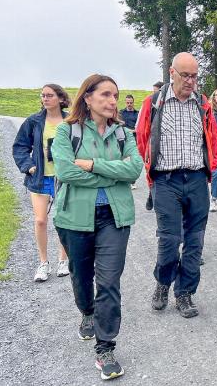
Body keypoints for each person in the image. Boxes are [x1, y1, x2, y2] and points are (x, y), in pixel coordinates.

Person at [51, 74, 143, 380]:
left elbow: (134, 170)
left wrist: (92, 165)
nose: (112, 101)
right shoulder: (67, 132)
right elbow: (65, 170)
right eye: (105, 94)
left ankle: (105, 349)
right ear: (87, 98)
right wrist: (113, 175)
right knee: (81, 276)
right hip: (75, 218)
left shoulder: (123, 134)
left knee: (108, 282)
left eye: (115, 95)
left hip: (114, 218)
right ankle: (87, 313)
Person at [136, 52, 217, 318]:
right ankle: (163, 282)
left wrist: (211, 168)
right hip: (166, 181)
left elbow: (213, 138)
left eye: (194, 76)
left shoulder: (202, 105)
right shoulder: (154, 104)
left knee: (195, 241)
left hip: (196, 179)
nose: (190, 81)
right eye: (185, 75)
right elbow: (142, 139)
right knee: (170, 240)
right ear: (171, 73)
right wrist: (151, 170)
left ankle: (184, 293)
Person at [12, 84, 72, 282]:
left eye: (50, 95)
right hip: (40, 177)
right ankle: (43, 262)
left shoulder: (71, 121)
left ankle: (64, 260)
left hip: (64, 177)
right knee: (40, 220)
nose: (45, 98)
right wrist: (28, 166)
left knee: (63, 220)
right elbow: (20, 146)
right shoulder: (34, 121)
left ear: (60, 99)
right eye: (43, 95)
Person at [137, 81, 166, 209]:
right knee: (152, 171)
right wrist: (145, 153)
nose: (153, 94)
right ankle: (151, 192)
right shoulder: (149, 102)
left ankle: (153, 193)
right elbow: (141, 128)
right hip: (151, 144)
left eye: (156, 91)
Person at [120, 94, 140, 189]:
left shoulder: (137, 114)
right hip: (122, 139)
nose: (129, 104)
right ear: (125, 102)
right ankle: (120, 179)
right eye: (127, 102)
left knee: (133, 161)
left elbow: (139, 128)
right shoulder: (121, 113)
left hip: (134, 140)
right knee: (120, 160)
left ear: (133, 102)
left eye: (131, 103)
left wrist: (130, 130)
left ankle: (132, 182)